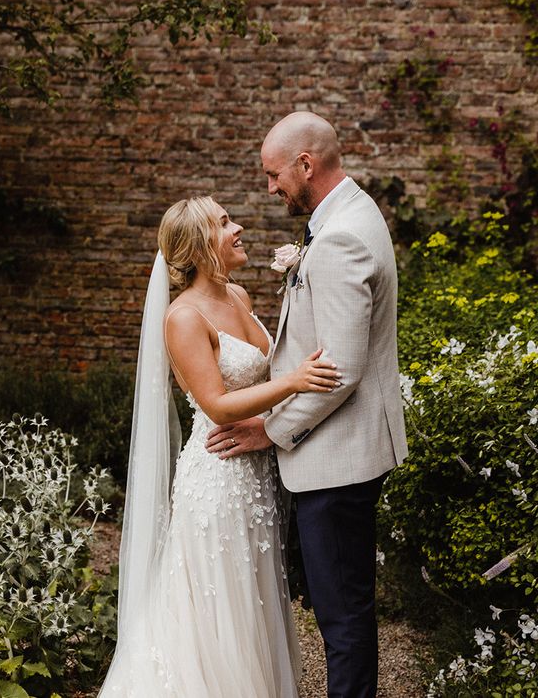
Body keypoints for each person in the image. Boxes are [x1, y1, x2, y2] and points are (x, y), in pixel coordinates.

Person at [98, 196, 342, 697]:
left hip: (257, 473)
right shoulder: (182, 318)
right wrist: (296, 382)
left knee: (250, 599)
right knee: (216, 606)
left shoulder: (239, 297)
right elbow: (216, 404)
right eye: (225, 223)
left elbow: (260, 371)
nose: (239, 229)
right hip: (218, 475)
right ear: (197, 246)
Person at [207, 111, 409, 698]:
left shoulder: (340, 237)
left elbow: (339, 371)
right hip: (341, 454)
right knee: (341, 608)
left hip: (338, 460)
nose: (271, 189)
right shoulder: (349, 213)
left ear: (306, 164)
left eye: (275, 176)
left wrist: (270, 430)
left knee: (342, 617)